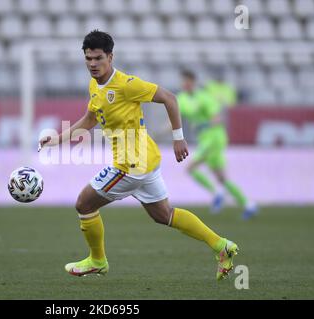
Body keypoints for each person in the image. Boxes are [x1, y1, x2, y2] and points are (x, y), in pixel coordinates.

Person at [39, 30, 238, 280]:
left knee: (84, 204)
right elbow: (90, 119)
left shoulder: (126, 85)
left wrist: (178, 138)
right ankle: (222, 247)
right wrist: (57, 139)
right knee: (164, 215)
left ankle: (98, 260)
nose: (92, 64)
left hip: (130, 166)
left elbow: (169, 98)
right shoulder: (94, 85)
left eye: (98, 58)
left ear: (110, 57)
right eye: (88, 59)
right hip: (147, 160)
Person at [177, 70, 257, 219]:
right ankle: (248, 204)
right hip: (204, 139)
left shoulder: (205, 97)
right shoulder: (181, 99)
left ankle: (217, 193)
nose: (184, 84)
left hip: (214, 137)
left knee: (190, 168)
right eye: (183, 81)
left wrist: (203, 125)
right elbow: (175, 121)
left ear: (193, 82)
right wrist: (159, 133)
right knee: (221, 177)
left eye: (187, 81)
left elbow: (217, 119)